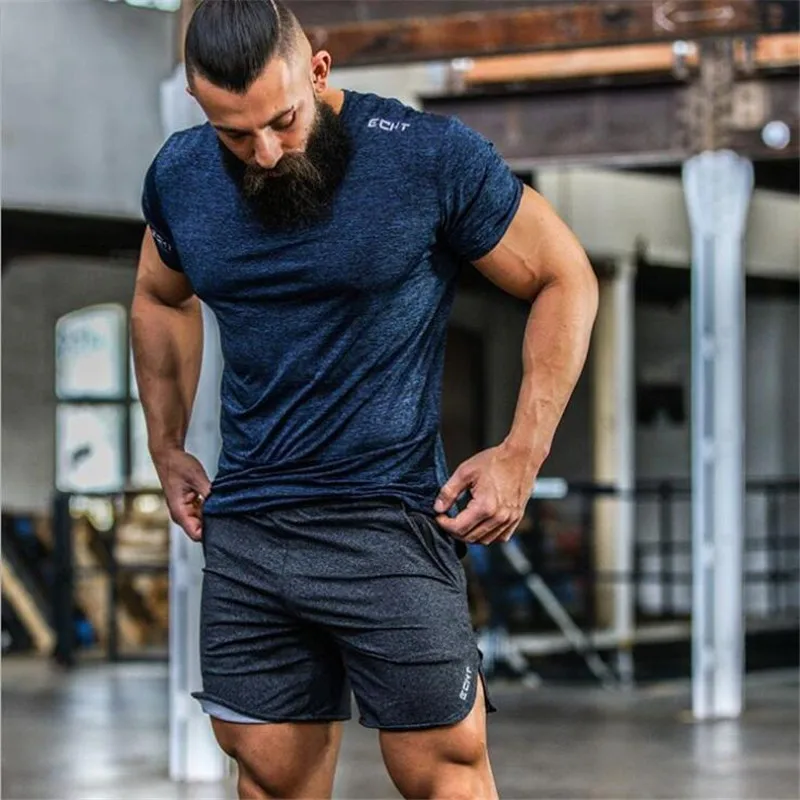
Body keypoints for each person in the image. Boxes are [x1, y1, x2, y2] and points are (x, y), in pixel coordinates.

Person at [131, 1, 598, 797]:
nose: (265, 152)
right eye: (235, 134)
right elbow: (158, 297)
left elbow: (565, 275)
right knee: (269, 774)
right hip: (251, 525)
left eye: (282, 120)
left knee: (442, 772)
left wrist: (523, 450)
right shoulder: (181, 176)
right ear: (199, 106)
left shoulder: (425, 156)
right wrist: (165, 444)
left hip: (389, 521)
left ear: (318, 70)